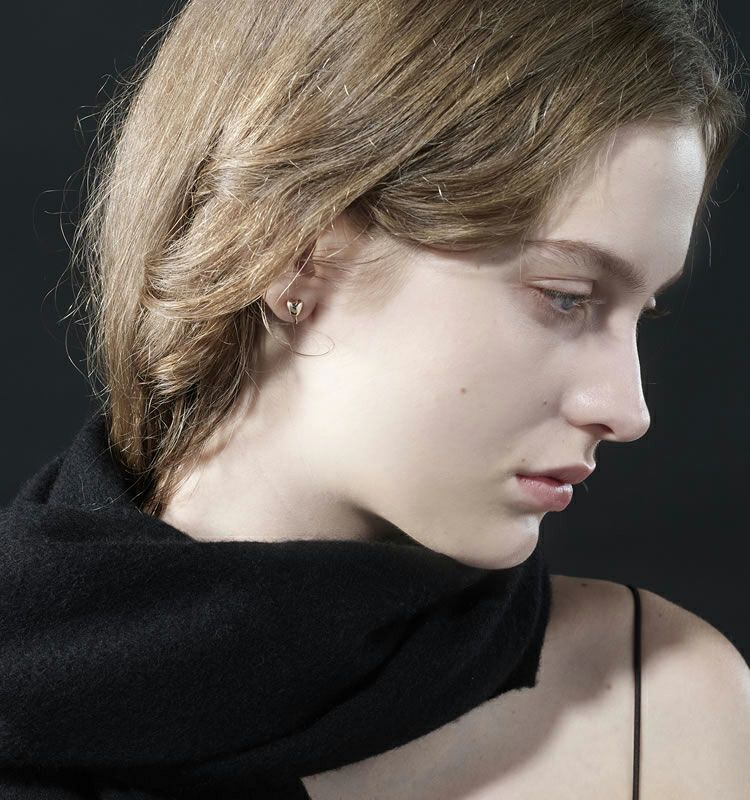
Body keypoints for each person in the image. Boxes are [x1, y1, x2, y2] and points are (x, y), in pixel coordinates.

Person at [2, 0, 749, 798]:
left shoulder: (667, 706)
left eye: (643, 313)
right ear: (294, 255)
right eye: (566, 295)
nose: (628, 410)